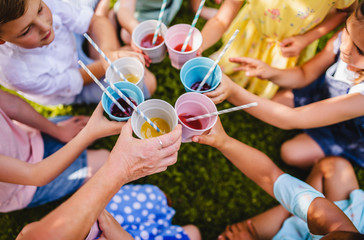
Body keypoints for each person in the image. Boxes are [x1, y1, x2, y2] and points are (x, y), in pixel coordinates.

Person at [204, 0, 364, 169]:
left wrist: (232, 92)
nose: (346, 48)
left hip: (348, 132)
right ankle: (315, 117)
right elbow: (305, 74)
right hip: (322, 93)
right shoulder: (348, 38)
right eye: (346, 30)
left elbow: (292, 118)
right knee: (274, 103)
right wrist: (271, 72)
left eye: (360, 51)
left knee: (291, 153)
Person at [15, 118, 187, 240]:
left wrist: (88, 134)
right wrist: (121, 169)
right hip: (111, 229)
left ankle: (160, 209)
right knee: (190, 232)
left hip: (101, 223)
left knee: (156, 197)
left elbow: (29, 233)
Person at [192, 118, 364, 239]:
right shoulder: (334, 225)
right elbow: (271, 177)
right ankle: (292, 210)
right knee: (334, 167)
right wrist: (223, 142)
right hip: (334, 220)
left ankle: (291, 210)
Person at [0, 0, 156, 106]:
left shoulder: (38, 4)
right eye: (27, 31)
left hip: (72, 39)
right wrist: (109, 61)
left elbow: (94, 22)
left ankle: (99, 35)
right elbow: (79, 78)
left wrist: (110, 53)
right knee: (148, 83)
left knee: (97, 21)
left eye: (40, 10)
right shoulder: (17, 74)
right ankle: (98, 38)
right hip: (76, 80)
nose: (45, 27)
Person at [199, 0, 356, 99]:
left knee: (265, 80)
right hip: (252, 32)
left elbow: (344, 12)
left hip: (287, 46)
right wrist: (198, 47)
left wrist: (305, 39)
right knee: (228, 66)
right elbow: (222, 18)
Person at [0, 88, 124, 212]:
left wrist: (58, 131)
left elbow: (12, 105)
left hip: (27, 138)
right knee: (105, 160)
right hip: (23, 184)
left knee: (85, 122)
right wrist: (87, 135)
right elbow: (34, 175)